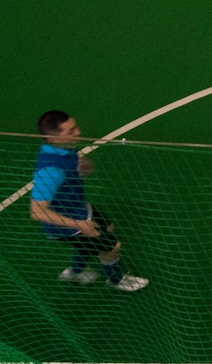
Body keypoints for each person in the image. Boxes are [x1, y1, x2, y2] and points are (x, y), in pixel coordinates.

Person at [30, 111, 150, 291]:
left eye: (75, 127)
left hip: (80, 209)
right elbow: (37, 212)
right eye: (70, 131)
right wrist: (79, 225)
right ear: (52, 138)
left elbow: (82, 169)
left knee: (107, 227)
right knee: (111, 248)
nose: (77, 132)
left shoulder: (66, 147)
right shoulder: (50, 170)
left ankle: (75, 272)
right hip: (66, 226)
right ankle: (117, 280)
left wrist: (83, 165)